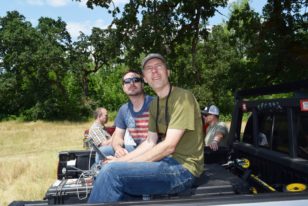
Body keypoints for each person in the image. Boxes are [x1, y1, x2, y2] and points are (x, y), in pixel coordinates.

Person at [88, 53, 204, 203]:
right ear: (146, 79)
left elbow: (169, 146)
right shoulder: (155, 104)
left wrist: (122, 163)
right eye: (149, 68)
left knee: (111, 173)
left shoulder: (182, 98)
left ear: (167, 72)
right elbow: (150, 142)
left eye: (158, 66)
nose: (154, 71)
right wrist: (123, 159)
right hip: (166, 161)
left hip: (184, 170)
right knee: (107, 169)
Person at [96, 69, 153, 162]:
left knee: (111, 168)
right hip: (135, 149)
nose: (131, 83)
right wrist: (119, 149)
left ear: (142, 84)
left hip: (152, 152)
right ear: (123, 87)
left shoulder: (154, 104)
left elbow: (156, 143)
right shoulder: (124, 109)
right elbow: (118, 136)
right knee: (103, 152)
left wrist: (125, 159)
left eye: (135, 80)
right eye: (127, 81)